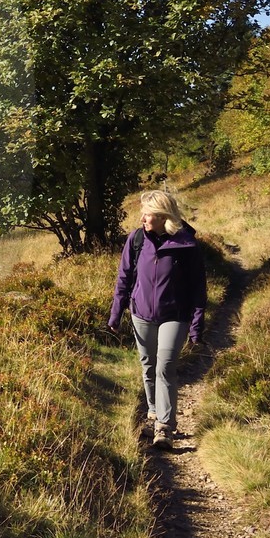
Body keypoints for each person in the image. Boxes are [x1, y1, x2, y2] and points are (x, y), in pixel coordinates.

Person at [108, 190, 207, 449]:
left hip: (175, 316)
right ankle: (153, 409)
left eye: (148, 214)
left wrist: (196, 325)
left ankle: (164, 427)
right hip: (141, 314)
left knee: (165, 367)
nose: (142, 218)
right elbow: (124, 278)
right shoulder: (137, 239)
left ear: (163, 216)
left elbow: (198, 287)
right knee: (148, 365)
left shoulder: (186, 244)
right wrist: (116, 313)